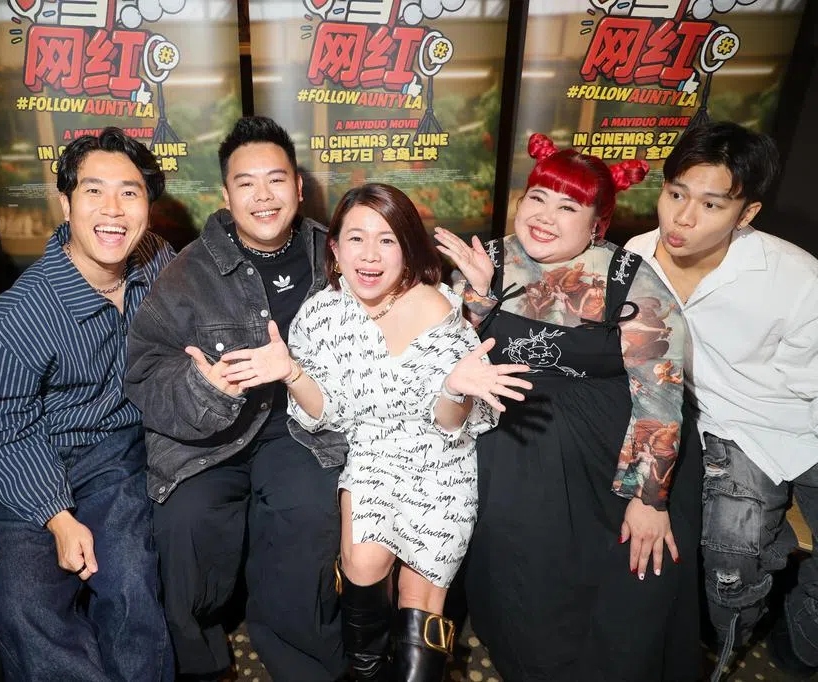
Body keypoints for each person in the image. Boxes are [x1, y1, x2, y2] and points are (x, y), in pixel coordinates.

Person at [219, 182, 531, 682]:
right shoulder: (321, 315)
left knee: (419, 594)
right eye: (356, 238)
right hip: (372, 454)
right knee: (363, 564)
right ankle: (366, 670)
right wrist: (292, 373)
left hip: (441, 463)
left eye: (387, 240)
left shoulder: (438, 307)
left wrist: (453, 389)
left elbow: (451, 425)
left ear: (407, 249)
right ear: (335, 248)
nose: (370, 255)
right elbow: (326, 413)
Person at [437, 133, 702, 681]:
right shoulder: (488, 260)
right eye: (537, 197)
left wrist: (647, 498)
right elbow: (446, 364)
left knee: (638, 572)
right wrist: (478, 299)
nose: (544, 217)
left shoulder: (629, 279)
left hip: (614, 450)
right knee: (517, 563)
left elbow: (659, 391)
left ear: (597, 224)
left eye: (568, 207)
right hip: (510, 438)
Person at [124, 116, 346, 681]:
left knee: (307, 514)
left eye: (276, 179)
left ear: (299, 186)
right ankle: (200, 664)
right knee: (186, 522)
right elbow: (145, 371)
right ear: (226, 195)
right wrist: (205, 388)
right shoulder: (187, 272)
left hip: (300, 430)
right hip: (209, 438)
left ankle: (305, 666)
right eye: (246, 183)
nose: (263, 196)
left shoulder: (335, 255)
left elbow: (395, 309)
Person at [0, 127, 173, 681]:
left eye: (129, 193)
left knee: (130, 583)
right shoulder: (15, 316)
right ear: (65, 202)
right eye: (93, 191)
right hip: (27, 461)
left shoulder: (156, 261)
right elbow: (4, 430)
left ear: (148, 206)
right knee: (27, 607)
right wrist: (58, 518)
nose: (113, 210)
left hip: (113, 456)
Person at [625, 120, 818, 680]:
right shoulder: (637, 256)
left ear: (746, 213)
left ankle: (802, 631)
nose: (682, 218)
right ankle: (746, 639)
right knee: (733, 562)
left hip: (802, 419)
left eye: (711, 204)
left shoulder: (796, 277)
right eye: (675, 194)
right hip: (727, 427)